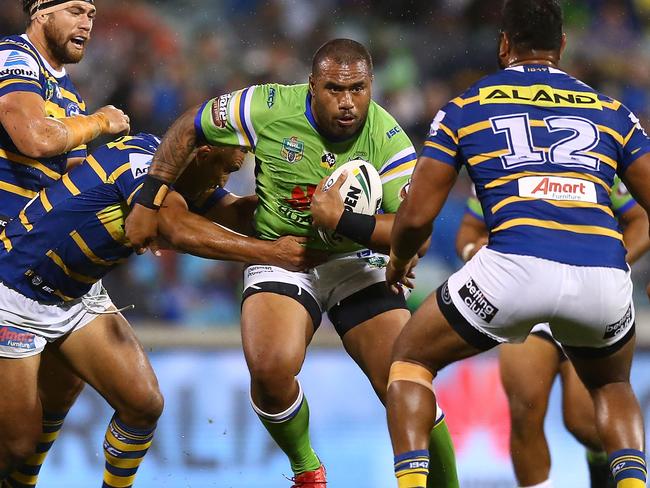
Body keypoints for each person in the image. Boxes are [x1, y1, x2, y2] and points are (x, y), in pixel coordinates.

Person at [124, 39, 459, 488]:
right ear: (312, 85)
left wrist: (343, 221)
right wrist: (150, 195)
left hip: (354, 262)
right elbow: (191, 126)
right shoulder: (267, 106)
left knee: (405, 376)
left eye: (358, 89)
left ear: (371, 86)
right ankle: (307, 470)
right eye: (335, 89)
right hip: (284, 253)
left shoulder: (389, 138)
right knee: (269, 368)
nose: (347, 102)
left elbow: (414, 228)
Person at [383, 1, 650, 487]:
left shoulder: (468, 105)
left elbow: (418, 214)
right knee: (612, 386)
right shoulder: (612, 111)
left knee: (410, 360)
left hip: (514, 270)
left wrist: (399, 259)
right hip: (603, 277)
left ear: (504, 44)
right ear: (563, 46)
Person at [0, 132, 321, 487]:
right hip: (14, 291)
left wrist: (306, 211)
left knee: (143, 405)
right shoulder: (144, 166)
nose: (225, 179)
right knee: (17, 443)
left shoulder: (187, 174)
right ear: (203, 153)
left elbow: (239, 213)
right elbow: (176, 228)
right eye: (225, 170)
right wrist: (272, 254)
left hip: (76, 296)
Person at [0, 1, 130, 485]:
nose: (87, 21)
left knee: (129, 395)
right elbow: (33, 137)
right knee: (14, 443)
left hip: (45, 255)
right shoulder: (13, 59)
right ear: (39, 12)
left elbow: (69, 181)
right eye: (75, 9)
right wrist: (99, 124)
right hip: (6, 261)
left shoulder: (68, 94)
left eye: (93, 13)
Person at [456, 178, 649, 488]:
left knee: (584, 422)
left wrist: (612, 265)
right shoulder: (499, 158)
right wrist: (472, 251)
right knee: (524, 410)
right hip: (524, 295)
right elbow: (468, 230)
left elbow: (641, 220)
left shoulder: (594, 153)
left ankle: (602, 467)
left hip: (587, 292)